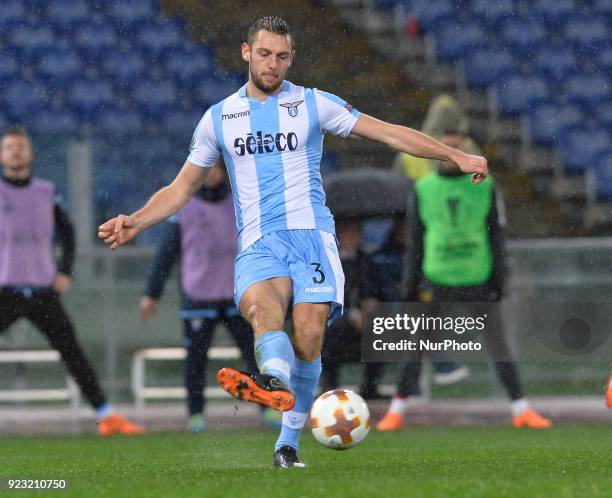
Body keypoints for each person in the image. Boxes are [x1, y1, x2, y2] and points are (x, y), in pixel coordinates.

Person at [98, 17, 488, 468]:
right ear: (246, 52)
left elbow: (388, 132)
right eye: (264, 54)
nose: (272, 64)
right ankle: (273, 383)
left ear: (291, 58)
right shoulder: (219, 118)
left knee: (308, 334)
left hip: (312, 240)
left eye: (282, 56)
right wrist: (138, 221)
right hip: (260, 243)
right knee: (263, 313)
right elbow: (183, 186)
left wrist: (454, 155)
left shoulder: (313, 104)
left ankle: (287, 441)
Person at [376, 129, 552, 432]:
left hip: (476, 275)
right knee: (415, 343)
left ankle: (521, 408)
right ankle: (396, 411)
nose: (453, 157)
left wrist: (500, 278)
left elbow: (495, 233)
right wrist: (410, 284)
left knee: (498, 343)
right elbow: (416, 241)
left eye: (458, 148)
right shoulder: (423, 189)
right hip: (436, 275)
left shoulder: (485, 187)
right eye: (447, 150)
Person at [0, 126, 144, 436]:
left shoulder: (46, 192)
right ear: (2, 155)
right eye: (10, 147)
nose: (16, 152)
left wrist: (65, 271)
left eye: (20, 147)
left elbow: (68, 233)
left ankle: (107, 416)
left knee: (72, 351)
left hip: (42, 290)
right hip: (6, 290)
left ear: (30, 153)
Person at [139, 162, 280, 431]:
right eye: (206, 169)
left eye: (215, 168)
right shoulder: (184, 208)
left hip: (237, 294)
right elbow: (166, 254)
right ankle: (195, 413)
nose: (211, 174)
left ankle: (267, 406)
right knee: (195, 361)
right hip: (198, 295)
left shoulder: (240, 203)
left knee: (255, 355)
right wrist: (151, 294)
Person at [369, 216, 470, 387]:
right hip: (389, 312)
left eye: (408, 231)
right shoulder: (384, 259)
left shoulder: (420, 256)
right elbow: (387, 289)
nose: (405, 235)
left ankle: (421, 378)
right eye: (402, 231)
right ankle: (441, 367)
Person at [320, 218, 383, 399]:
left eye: (356, 232)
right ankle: (330, 388)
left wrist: (372, 302)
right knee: (329, 336)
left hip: (364, 324)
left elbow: (376, 289)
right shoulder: (326, 261)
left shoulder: (366, 262)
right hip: (335, 323)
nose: (352, 237)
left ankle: (370, 387)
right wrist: (350, 315)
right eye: (347, 231)